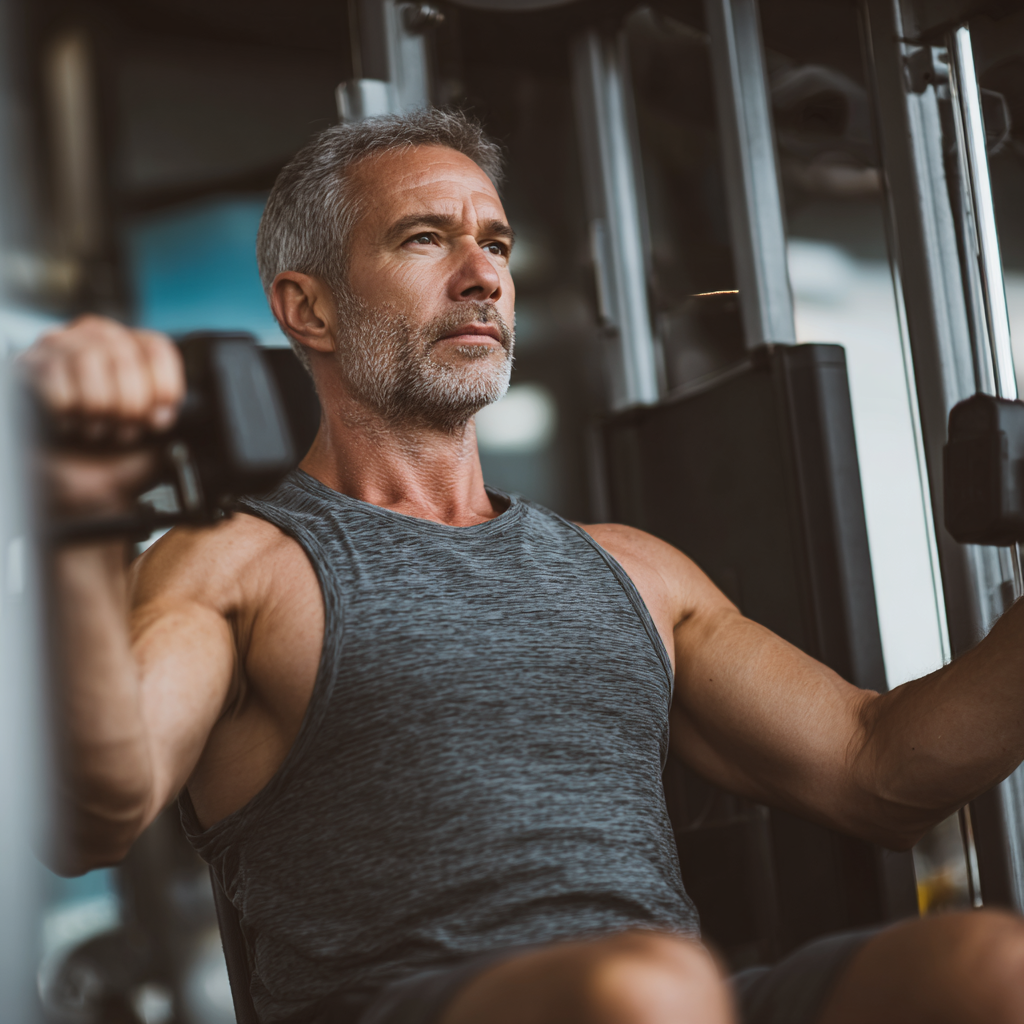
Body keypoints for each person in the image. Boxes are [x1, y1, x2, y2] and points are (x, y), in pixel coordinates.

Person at [23, 108, 1024, 1024]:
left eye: (494, 242)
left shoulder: (634, 573)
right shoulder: (241, 565)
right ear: (307, 308)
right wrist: (80, 512)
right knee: (644, 989)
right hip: (432, 1005)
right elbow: (91, 816)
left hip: (668, 996)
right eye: (425, 238)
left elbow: (878, 771)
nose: (481, 273)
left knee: (985, 964)